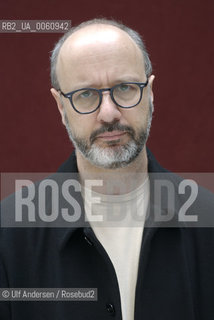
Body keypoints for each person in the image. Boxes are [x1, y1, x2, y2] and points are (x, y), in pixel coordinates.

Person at [0, 18, 214, 320]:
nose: (109, 113)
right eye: (85, 94)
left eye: (125, 88)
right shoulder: (8, 235)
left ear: (150, 93)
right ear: (61, 107)